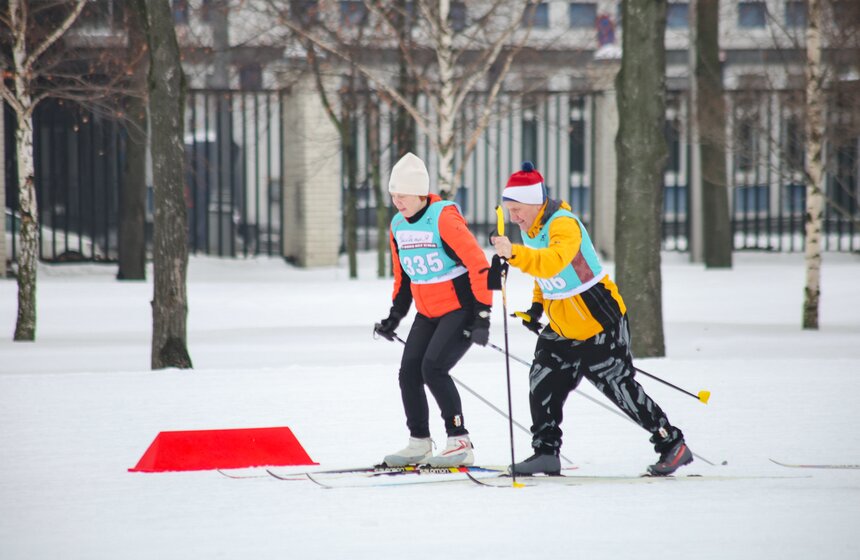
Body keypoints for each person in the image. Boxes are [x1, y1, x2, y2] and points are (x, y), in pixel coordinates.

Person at [490, 162, 693, 476]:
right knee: (542, 382)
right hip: (561, 326)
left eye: (517, 209)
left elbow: (553, 263)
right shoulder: (531, 229)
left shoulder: (563, 224)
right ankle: (545, 452)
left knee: (618, 387)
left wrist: (513, 254)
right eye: (509, 210)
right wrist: (536, 307)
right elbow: (543, 279)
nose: (514, 216)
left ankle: (671, 443)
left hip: (599, 321)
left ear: (535, 203)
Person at [374, 152, 493, 468]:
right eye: (393, 194)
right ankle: (419, 443)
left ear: (420, 192)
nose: (397, 201)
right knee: (408, 372)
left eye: (402, 194)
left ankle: (459, 441)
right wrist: (394, 317)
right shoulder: (398, 225)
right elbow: (404, 276)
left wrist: (483, 314)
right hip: (427, 312)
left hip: (460, 308)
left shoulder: (443, 217)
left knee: (434, 368)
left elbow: (478, 263)